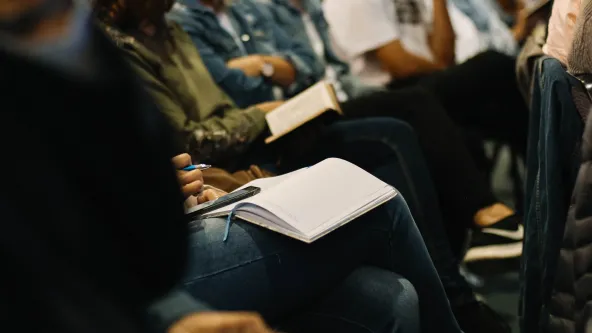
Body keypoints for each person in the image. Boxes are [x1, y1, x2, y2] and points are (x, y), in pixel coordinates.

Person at [1, 1, 460, 332]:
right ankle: (465, 306)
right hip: (113, 280)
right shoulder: (96, 51)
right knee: (379, 208)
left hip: (136, 262)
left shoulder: (112, 43)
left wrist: (170, 190)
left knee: (390, 297)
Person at [166, 0, 524, 262]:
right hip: (272, 128)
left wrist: (265, 66)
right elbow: (235, 87)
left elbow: (308, 65)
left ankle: (480, 242)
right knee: (411, 113)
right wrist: (273, 71)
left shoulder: (252, 12)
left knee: (448, 111)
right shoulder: (193, 20)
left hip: (313, 105)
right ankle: (474, 237)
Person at [322, 0, 529, 158]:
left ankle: (544, 172)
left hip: (431, 81)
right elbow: (402, 66)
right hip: (391, 94)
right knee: (493, 65)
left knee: (500, 106)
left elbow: (446, 55)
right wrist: (441, 67)